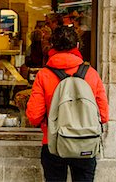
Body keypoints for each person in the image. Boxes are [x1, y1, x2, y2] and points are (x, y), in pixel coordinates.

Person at [26, 26, 109, 182]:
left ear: (52, 46)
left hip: (54, 143)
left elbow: (34, 117)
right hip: (86, 141)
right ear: (77, 46)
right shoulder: (91, 73)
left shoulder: (44, 75)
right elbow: (103, 116)